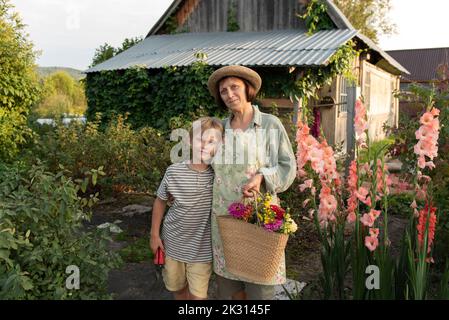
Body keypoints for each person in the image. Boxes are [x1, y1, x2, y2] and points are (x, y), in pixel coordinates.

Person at [207, 65, 297, 300]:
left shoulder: (269, 124)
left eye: (234, 87)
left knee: (260, 292)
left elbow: (288, 167)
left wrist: (262, 177)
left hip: (258, 220)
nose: (229, 94)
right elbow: (206, 168)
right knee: (230, 292)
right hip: (224, 221)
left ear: (248, 89)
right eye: (223, 90)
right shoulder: (219, 129)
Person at [150, 117, 223, 300]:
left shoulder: (218, 175)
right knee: (178, 290)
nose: (204, 145)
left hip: (201, 249)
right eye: (200, 139)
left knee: (198, 296)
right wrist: (154, 235)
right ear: (190, 140)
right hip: (172, 245)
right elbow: (160, 201)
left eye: (211, 141)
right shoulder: (174, 171)